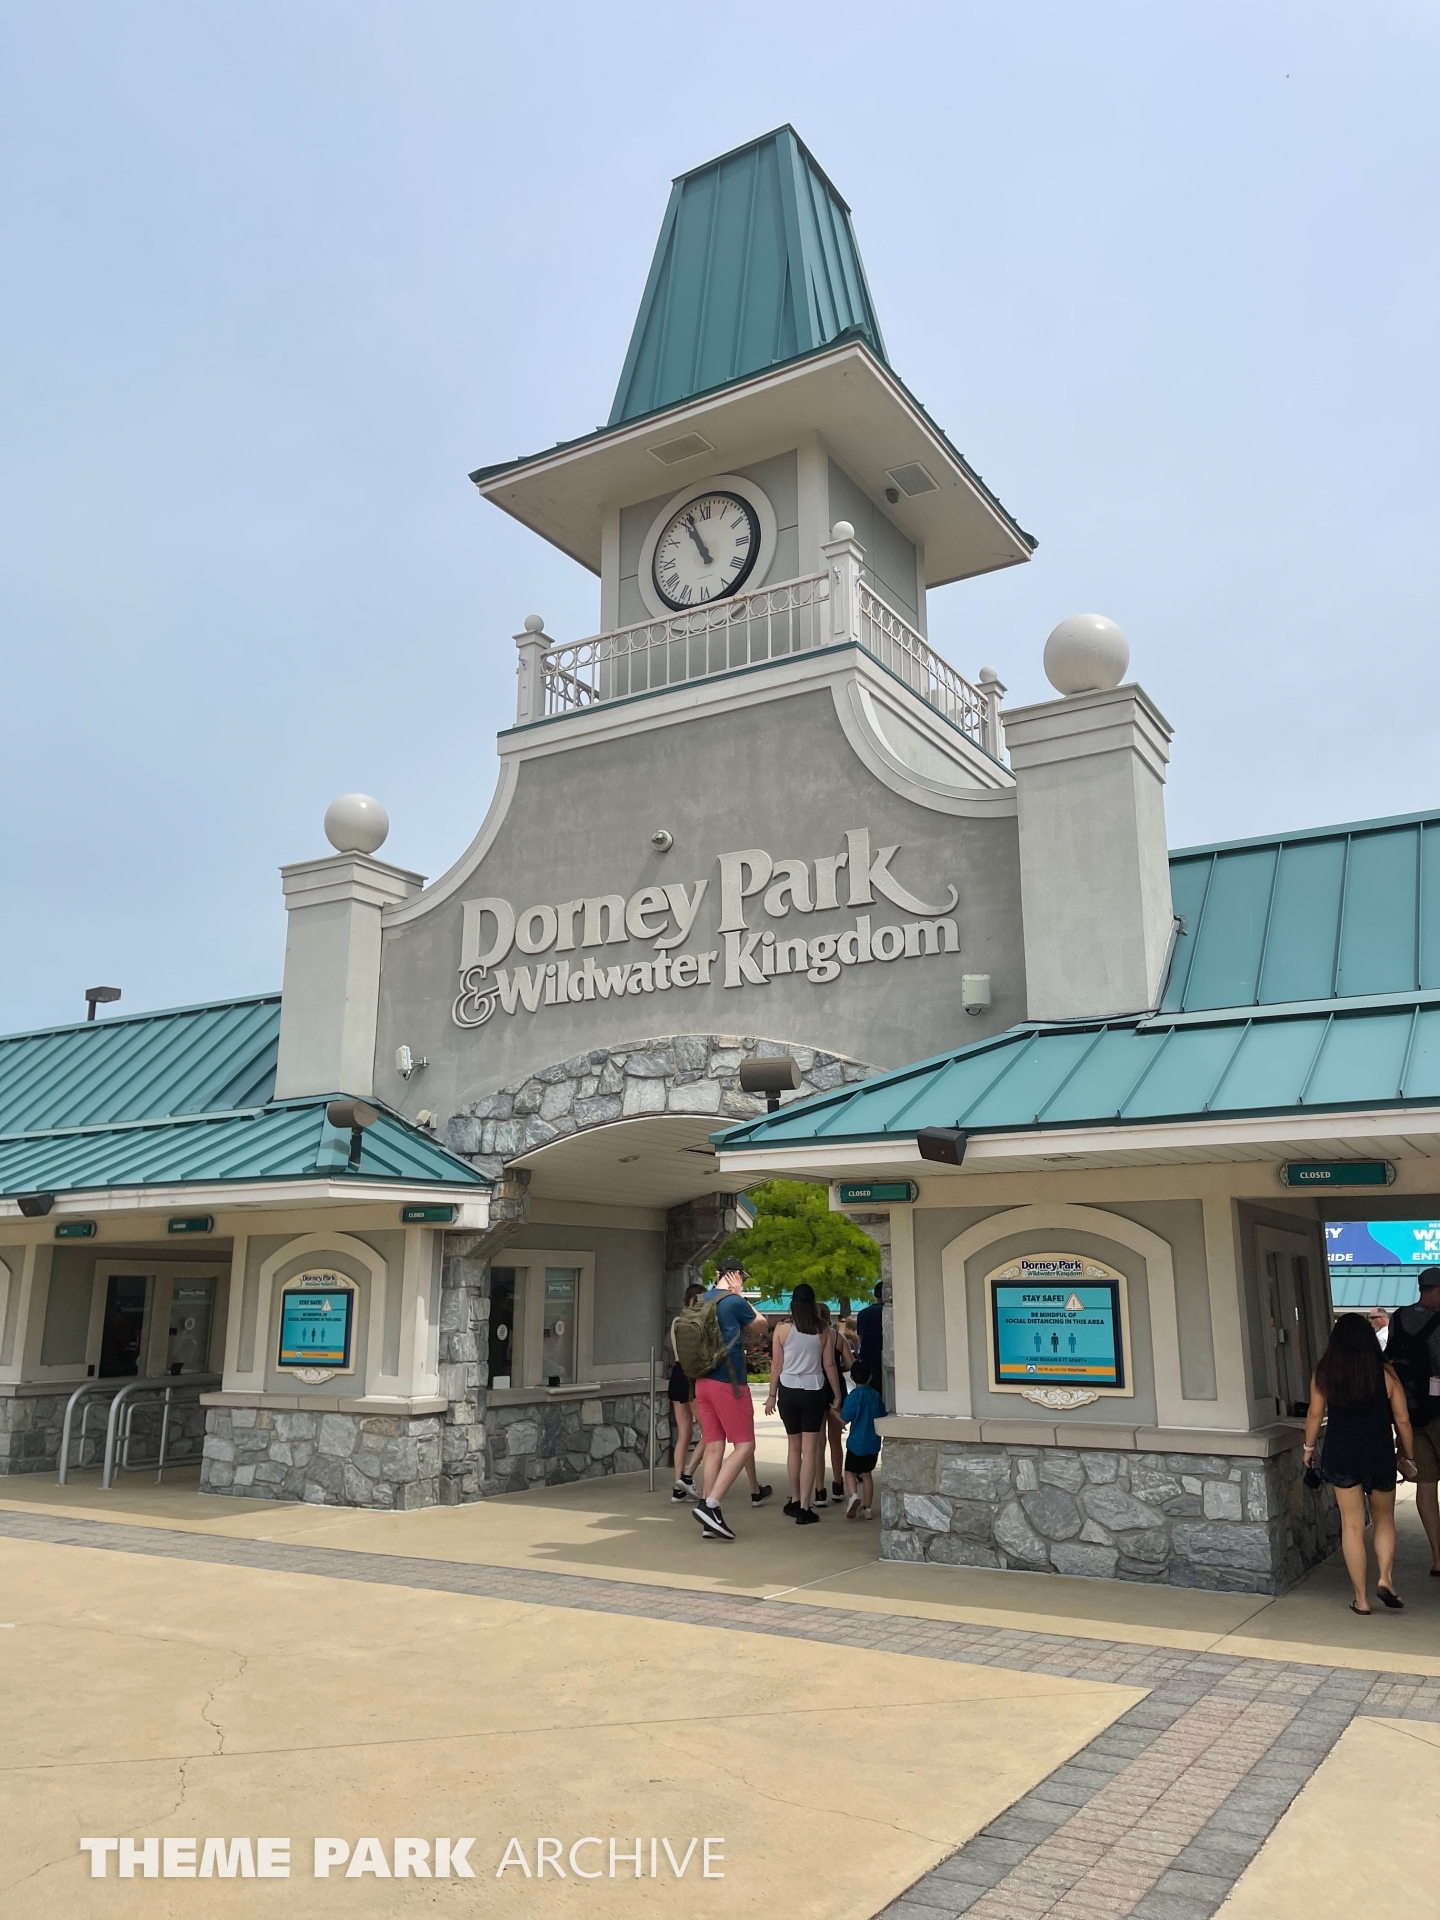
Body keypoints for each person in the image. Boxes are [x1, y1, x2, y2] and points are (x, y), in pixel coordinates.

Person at [1303, 1312, 1418, 1614]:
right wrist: (1407, 1453)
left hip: (1341, 1454)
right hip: (1378, 1453)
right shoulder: (1385, 1373)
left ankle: (1361, 1600)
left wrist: (1308, 1447)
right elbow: (1403, 1420)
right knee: (1384, 1520)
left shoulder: (1325, 1371)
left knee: (1352, 1526)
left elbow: (1315, 1414)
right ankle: (1385, 1578)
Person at [691, 1259, 770, 1540]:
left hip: (702, 1381)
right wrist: (739, 1296)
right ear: (738, 1276)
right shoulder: (733, 1302)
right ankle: (710, 1505)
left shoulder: (700, 1300)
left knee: (714, 1446)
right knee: (745, 1444)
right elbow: (762, 1326)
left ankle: (709, 1518)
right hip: (729, 1382)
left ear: (716, 1275)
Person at [765, 1283, 842, 1525]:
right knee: (810, 1451)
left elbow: (776, 1364)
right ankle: (806, 1507)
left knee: (793, 1448)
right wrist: (837, 1395)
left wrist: (771, 1394)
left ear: (793, 1303)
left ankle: (795, 1499)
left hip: (788, 1390)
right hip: (813, 1390)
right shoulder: (823, 1330)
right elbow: (829, 1365)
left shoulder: (781, 1328)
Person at [1385, 1268, 1440, 1576]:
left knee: (1426, 1486)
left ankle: (1437, 1557)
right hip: (1438, 1413)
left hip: (1410, 1414)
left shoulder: (1399, 1317)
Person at [667, 1286, 706, 1501]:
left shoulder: (676, 1321)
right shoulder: (696, 1323)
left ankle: (678, 1487)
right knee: (709, 1432)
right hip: (693, 1377)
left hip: (677, 1373)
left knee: (684, 1434)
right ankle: (688, 1476)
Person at [839, 1359, 885, 1519]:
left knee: (849, 1471)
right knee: (867, 1475)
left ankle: (853, 1496)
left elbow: (843, 1420)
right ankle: (868, 1509)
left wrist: (832, 1411)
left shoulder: (853, 1397)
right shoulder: (875, 1396)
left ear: (851, 1377)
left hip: (855, 1444)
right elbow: (882, 1415)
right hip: (872, 1444)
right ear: (870, 1377)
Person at [817, 1303, 853, 1503]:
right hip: (836, 1385)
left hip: (816, 1385)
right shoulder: (837, 1337)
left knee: (818, 1441)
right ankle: (838, 1484)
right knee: (835, 1440)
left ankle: (819, 1489)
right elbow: (850, 1363)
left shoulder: (810, 1336)